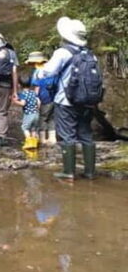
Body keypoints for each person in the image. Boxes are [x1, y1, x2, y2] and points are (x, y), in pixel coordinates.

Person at [39, 16, 101, 181]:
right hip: (87, 102)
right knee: (86, 134)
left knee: (68, 136)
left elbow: (48, 72)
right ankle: (90, 172)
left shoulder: (63, 52)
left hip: (66, 101)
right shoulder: (90, 55)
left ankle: (68, 173)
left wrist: (40, 70)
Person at [26, 51, 56, 145]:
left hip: (44, 98)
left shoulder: (38, 72)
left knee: (42, 118)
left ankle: (43, 139)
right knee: (52, 118)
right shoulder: (51, 69)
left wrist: (35, 99)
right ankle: (53, 138)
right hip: (54, 98)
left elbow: (37, 87)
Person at [12, 80, 41, 150]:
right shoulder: (33, 93)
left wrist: (15, 101)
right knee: (33, 129)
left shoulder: (23, 94)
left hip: (28, 114)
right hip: (36, 113)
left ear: (19, 85)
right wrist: (37, 108)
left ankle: (29, 142)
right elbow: (39, 102)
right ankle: (34, 142)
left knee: (25, 128)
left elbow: (23, 103)